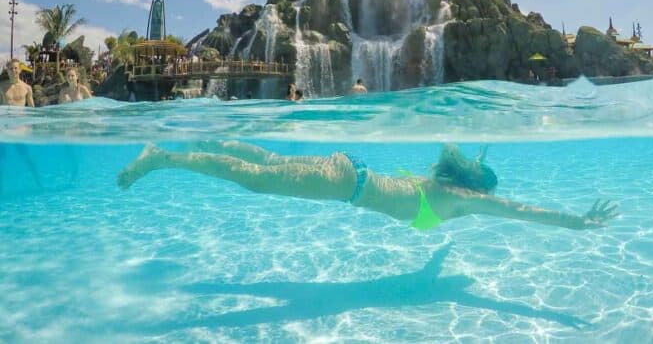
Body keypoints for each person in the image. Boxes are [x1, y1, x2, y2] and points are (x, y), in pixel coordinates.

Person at [117, 142, 618, 231]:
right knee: (257, 181)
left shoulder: (440, 188)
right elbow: (523, 212)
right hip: (344, 184)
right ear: (475, 188)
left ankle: (217, 141)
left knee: (268, 164)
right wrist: (578, 221)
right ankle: (164, 158)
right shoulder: (463, 201)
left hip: (349, 170)